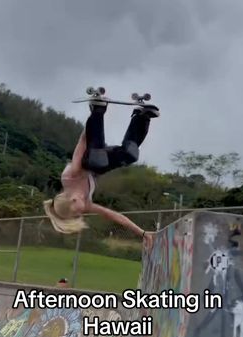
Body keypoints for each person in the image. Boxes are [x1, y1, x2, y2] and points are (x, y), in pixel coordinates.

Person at [43, 96, 160, 247]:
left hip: (92, 151)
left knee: (96, 162)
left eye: (77, 213)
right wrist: (142, 233)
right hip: (101, 164)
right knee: (129, 155)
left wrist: (95, 115)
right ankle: (142, 116)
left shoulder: (70, 176)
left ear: (72, 200)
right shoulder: (86, 204)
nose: (82, 213)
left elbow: (81, 144)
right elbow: (115, 216)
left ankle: (98, 109)